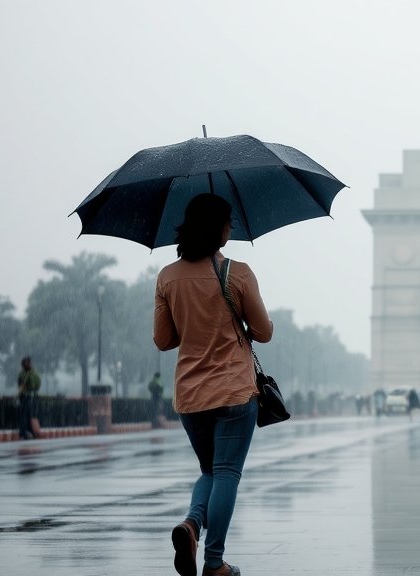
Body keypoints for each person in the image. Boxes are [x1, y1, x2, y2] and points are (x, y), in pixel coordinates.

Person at [154, 193, 273, 576]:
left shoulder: (167, 277)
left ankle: (191, 526)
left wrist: (194, 321)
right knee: (226, 473)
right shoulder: (238, 273)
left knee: (210, 471)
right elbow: (264, 332)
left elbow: (163, 340)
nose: (232, 227)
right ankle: (214, 562)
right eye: (228, 221)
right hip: (234, 391)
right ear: (217, 228)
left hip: (191, 395)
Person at [16, 356, 40, 440]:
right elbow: (20, 384)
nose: (27, 364)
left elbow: (35, 385)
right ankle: (24, 432)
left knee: (27, 415)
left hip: (29, 396)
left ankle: (28, 432)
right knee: (25, 415)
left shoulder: (32, 373)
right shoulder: (25, 373)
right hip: (25, 396)